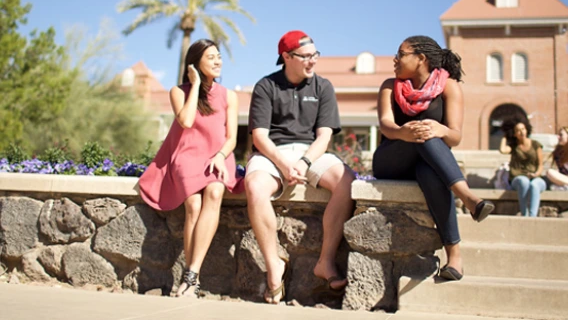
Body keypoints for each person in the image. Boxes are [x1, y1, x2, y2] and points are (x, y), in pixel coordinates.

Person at [372, 35, 494, 282]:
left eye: (401, 53)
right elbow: (385, 125)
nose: (395, 59)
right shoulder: (389, 85)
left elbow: (455, 136)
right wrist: (402, 133)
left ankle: (455, 258)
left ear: (421, 58)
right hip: (391, 159)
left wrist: (442, 130)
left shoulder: (449, 87)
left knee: (430, 168)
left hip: (426, 162)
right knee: (422, 131)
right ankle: (468, 197)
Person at [245, 30, 355, 304]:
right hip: (272, 152)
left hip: (311, 152)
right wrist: (283, 164)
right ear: (286, 57)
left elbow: (325, 136)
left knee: (347, 181)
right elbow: (260, 136)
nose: (312, 61)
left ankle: (325, 262)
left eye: (315, 55)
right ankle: (274, 267)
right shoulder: (265, 86)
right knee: (255, 187)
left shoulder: (323, 87)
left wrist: (304, 162)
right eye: (305, 56)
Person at [138, 39, 243, 297]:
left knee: (215, 192)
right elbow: (185, 121)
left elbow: (231, 138)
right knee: (193, 206)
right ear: (195, 64)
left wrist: (219, 156)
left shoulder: (229, 95)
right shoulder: (179, 91)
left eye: (219, 56)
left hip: (219, 155)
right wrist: (196, 84)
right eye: (211, 57)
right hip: (187, 155)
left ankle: (191, 275)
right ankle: (190, 274)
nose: (218, 61)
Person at [499, 117, 545, 217]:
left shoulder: (536, 145)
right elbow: (502, 150)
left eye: (523, 129)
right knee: (524, 181)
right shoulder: (514, 147)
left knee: (534, 185)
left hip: (535, 177)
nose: (521, 132)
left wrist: (535, 174)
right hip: (518, 178)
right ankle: (525, 214)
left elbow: (541, 165)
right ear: (514, 134)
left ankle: (532, 217)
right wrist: (505, 136)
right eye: (518, 130)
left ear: (527, 129)